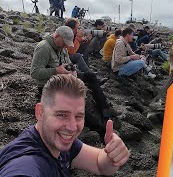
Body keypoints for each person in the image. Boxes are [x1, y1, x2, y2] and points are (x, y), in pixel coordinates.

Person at [0, 74, 130, 176]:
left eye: (79, 116)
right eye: (62, 115)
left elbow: (99, 164)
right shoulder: (27, 164)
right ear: (40, 112)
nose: (72, 127)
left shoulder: (59, 142)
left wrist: (112, 156)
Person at [30, 26, 121, 124]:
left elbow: (68, 62)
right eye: (64, 42)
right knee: (75, 100)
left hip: (64, 77)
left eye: (67, 43)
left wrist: (72, 71)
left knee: (91, 76)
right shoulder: (44, 47)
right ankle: (99, 127)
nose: (65, 45)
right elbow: (34, 73)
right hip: (49, 84)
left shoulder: (61, 47)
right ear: (56, 36)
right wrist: (56, 70)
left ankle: (105, 108)